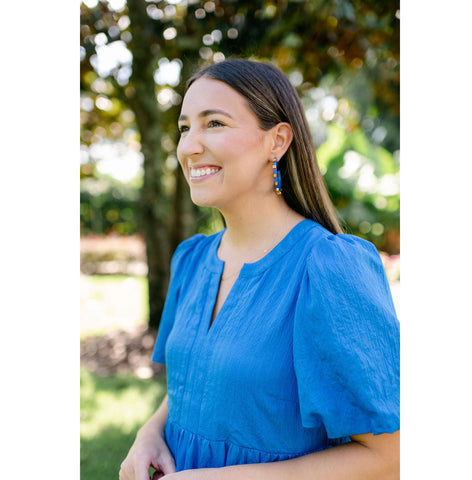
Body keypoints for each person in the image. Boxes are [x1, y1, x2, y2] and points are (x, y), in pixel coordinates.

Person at [119, 59, 400, 480]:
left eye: (214, 123)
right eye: (184, 127)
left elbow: (391, 459)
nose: (189, 146)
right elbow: (193, 386)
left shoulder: (329, 268)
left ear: (278, 140)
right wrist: (149, 433)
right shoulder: (192, 260)